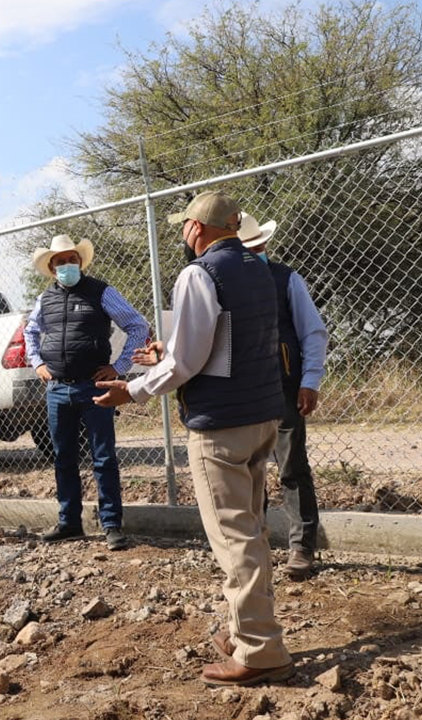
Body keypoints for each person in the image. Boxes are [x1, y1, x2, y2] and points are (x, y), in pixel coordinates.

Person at [93, 191, 294, 686]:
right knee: (253, 530)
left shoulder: (198, 274)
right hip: (262, 417)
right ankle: (244, 630)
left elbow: (187, 363)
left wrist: (134, 390)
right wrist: (174, 349)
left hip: (219, 427)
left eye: (183, 227)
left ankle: (260, 651)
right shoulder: (262, 271)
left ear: (195, 229)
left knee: (234, 538)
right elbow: (227, 343)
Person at [24, 234, 150, 550]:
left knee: (103, 457)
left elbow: (137, 325)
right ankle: (70, 523)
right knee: (63, 458)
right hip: (57, 389)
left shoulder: (101, 291)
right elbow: (31, 331)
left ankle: (111, 526)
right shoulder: (45, 299)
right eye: (61, 262)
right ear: (52, 268)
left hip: (94, 387)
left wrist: (119, 367)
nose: (67, 265)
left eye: (72, 259)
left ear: (80, 262)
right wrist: (37, 362)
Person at [239, 212, 330, 580]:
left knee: (291, 468)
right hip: (244, 393)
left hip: (285, 387)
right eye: (250, 247)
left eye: (259, 245)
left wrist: (310, 380)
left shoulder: (286, 278)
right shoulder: (225, 284)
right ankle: (255, 545)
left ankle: (302, 548)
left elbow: (313, 331)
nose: (257, 251)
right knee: (249, 471)